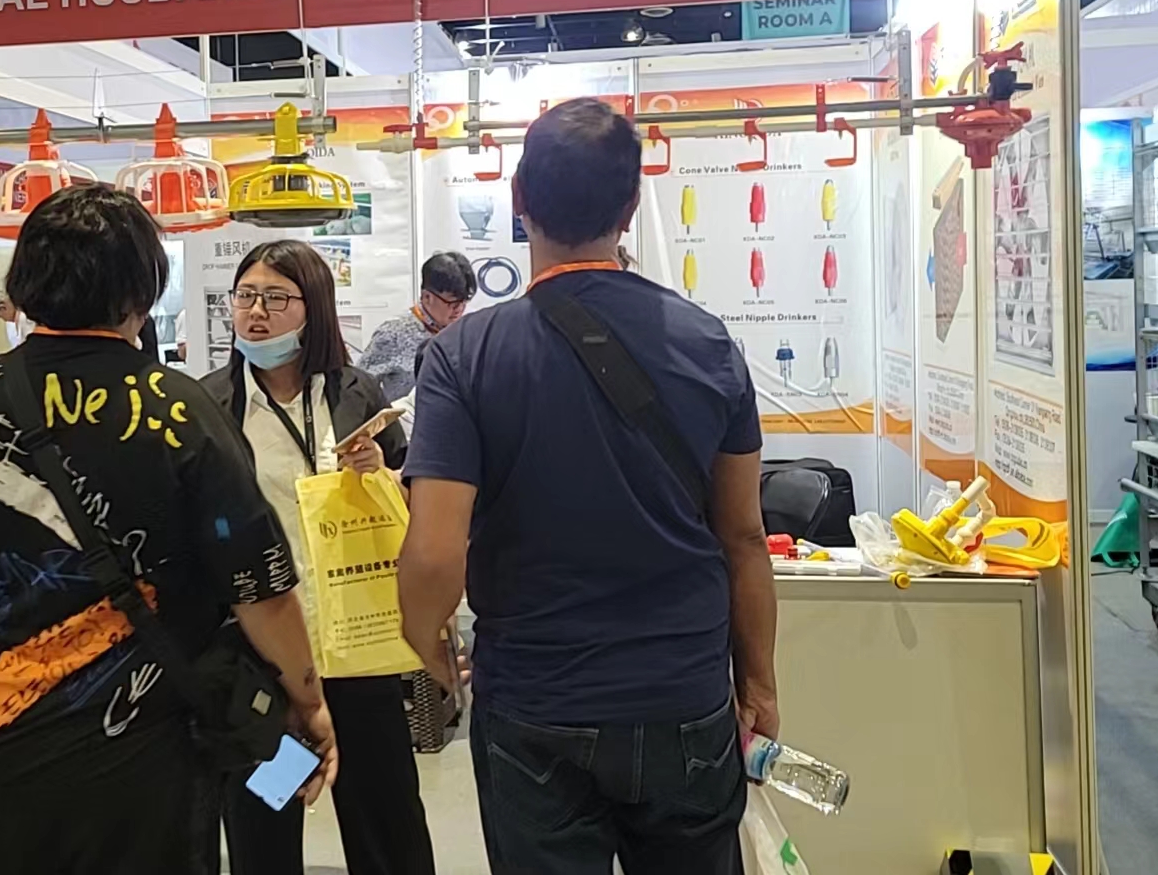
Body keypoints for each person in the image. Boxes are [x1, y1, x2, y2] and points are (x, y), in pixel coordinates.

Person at [0, 185, 334, 875]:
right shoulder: (182, 410)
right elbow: (259, 589)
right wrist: (309, 700)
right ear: (141, 292)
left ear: (24, 285)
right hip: (145, 750)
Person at [398, 98, 778, 874]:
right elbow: (743, 536)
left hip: (535, 704)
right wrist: (760, 683)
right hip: (683, 696)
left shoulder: (464, 356)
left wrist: (424, 639)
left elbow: (436, 550)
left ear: (518, 200)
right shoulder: (709, 343)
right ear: (630, 205)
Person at [200, 239, 437, 875]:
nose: (256, 313)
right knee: (266, 820)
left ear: (315, 309)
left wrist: (381, 471)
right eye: (246, 296)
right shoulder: (209, 406)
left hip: (355, 649)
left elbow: (409, 503)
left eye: (276, 299)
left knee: (384, 821)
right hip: (266, 659)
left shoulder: (356, 393)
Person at [357, 251, 476, 402]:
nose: (459, 309)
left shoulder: (465, 333)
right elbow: (359, 387)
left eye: (464, 301)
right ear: (427, 297)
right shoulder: (393, 334)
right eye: (452, 303)